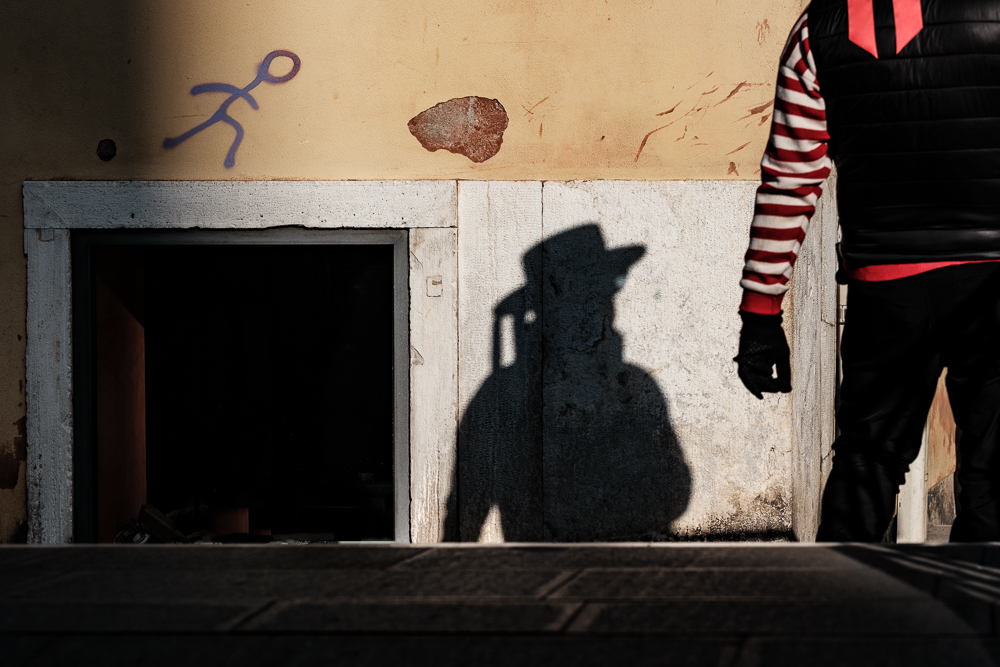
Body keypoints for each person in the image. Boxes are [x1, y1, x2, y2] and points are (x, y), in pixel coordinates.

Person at [734, 0, 1000, 541]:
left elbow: (789, 177)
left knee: (867, 462)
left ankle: (840, 608)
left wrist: (761, 314)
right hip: (990, 282)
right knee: (993, 471)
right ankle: (975, 614)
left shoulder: (818, 26)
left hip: (885, 288)